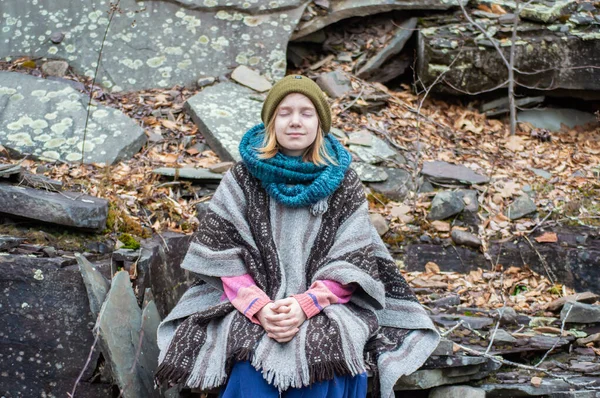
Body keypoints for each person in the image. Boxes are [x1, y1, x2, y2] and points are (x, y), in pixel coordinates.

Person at [155, 75, 439, 398]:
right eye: (284, 112)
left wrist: (306, 304)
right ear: (271, 121)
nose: (294, 121)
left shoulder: (343, 182)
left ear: (319, 122)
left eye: (306, 113)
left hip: (327, 303)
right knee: (248, 355)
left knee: (325, 351)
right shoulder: (243, 178)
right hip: (251, 303)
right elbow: (224, 256)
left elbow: (353, 261)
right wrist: (260, 307)